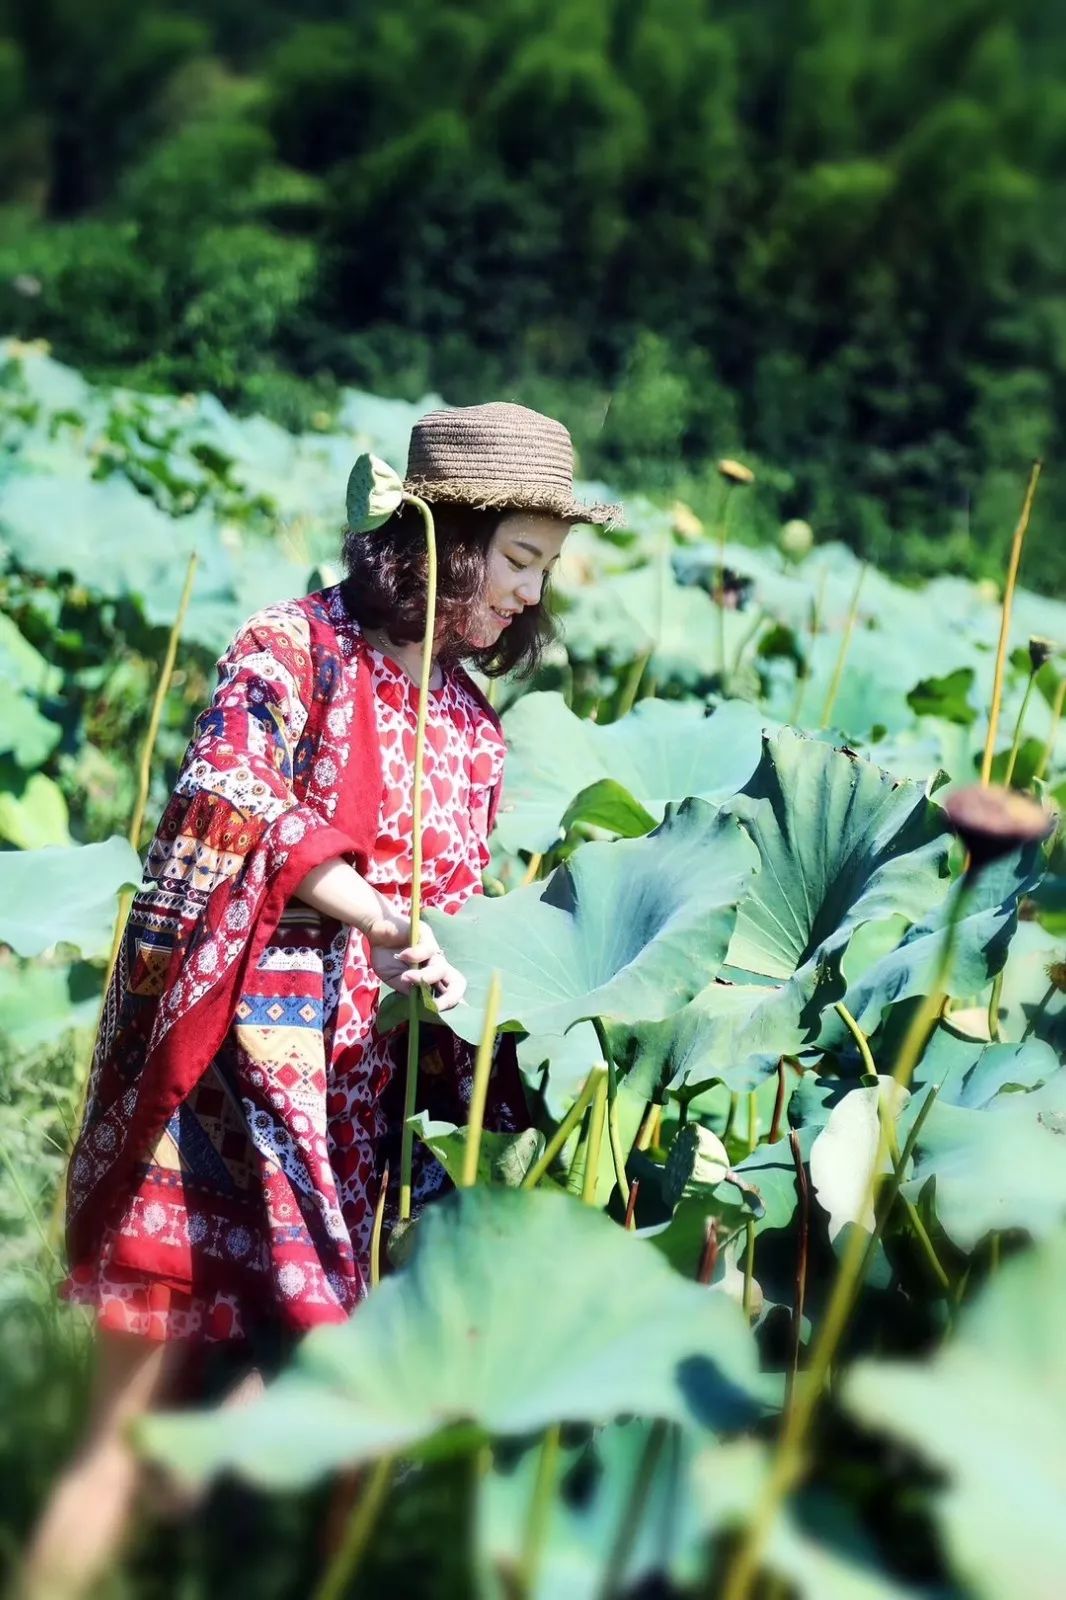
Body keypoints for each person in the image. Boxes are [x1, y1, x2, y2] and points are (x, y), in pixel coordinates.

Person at [20, 401, 620, 1597]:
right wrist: (360, 908)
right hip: (213, 1098)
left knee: (208, 1460)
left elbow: (447, 913)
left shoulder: (471, 734)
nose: (524, 598)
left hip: (344, 1137)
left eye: (543, 573)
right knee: (118, 1450)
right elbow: (220, 793)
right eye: (513, 561)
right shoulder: (293, 649)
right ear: (439, 538)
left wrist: (436, 964)